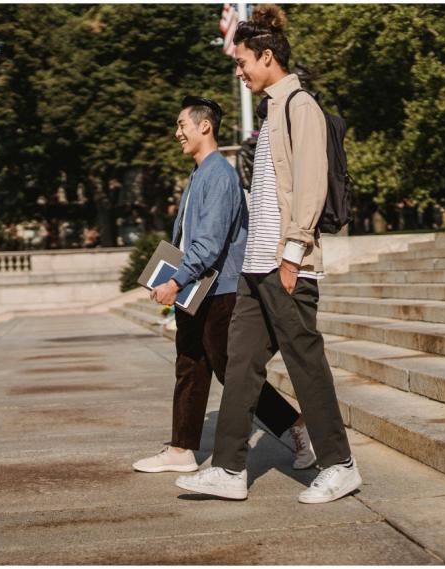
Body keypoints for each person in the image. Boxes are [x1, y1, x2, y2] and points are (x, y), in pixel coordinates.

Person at [176, 5, 361, 504]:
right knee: (239, 365)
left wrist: (294, 252)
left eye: (242, 63)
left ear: (265, 56)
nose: (238, 71)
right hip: (255, 269)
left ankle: (340, 464)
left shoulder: (300, 105)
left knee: (306, 364)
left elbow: (311, 185)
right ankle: (230, 470)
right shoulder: (272, 109)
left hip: (285, 265)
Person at [132, 95, 315, 474]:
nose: (177, 132)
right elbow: (188, 239)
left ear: (205, 126)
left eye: (182, 125)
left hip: (221, 292)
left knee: (232, 373)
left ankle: (296, 427)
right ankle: (182, 449)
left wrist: (175, 282)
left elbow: (210, 244)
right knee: (190, 365)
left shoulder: (219, 174)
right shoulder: (201, 173)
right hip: (199, 289)